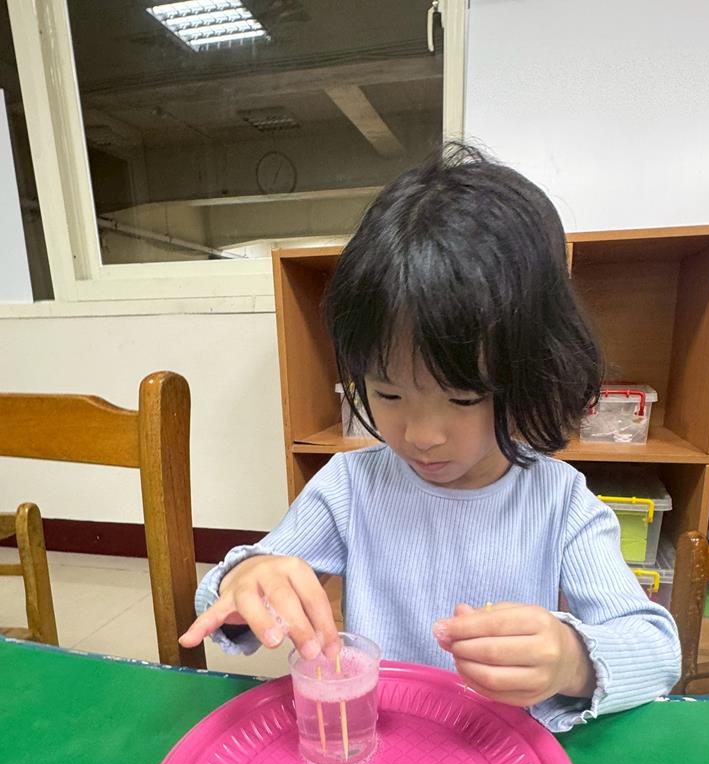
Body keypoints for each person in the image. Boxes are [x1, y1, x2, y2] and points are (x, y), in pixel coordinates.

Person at [180, 144, 680, 732]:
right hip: (378, 745)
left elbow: (656, 650)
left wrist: (572, 661)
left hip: (502, 756)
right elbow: (223, 601)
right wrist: (247, 583)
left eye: (463, 399)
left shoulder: (560, 501)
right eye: (388, 394)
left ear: (531, 371)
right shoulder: (350, 486)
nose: (421, 435)